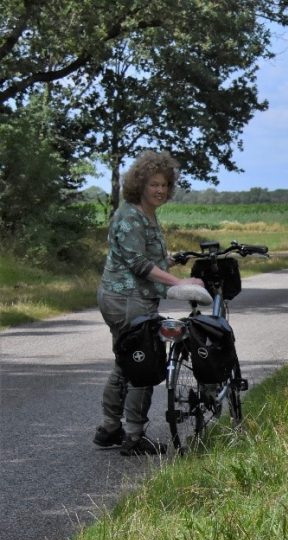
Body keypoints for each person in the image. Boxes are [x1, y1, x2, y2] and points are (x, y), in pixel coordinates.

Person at [93, 150, 204, 456]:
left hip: (130, 297)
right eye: (154, 184)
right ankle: (133, 436)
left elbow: (143, 255)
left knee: (125, 361)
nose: (160, 190)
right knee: (143, 361)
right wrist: (179, 282)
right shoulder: (129, 215)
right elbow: (138, 264)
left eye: (165, 185)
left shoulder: (145, 214)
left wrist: (169, 259)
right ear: (140, 184)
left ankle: (109, 428)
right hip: (127, 299)